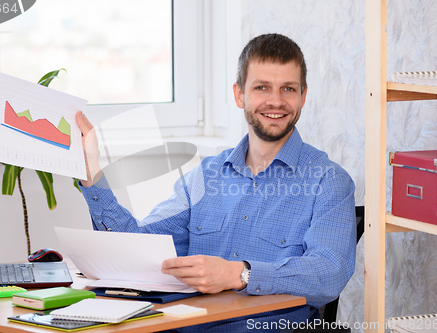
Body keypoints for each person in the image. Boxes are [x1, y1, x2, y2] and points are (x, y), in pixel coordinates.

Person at [76, 33, 356, 332]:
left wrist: (240, 275)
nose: (276, 101)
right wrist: (92, 173)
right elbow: (136, 250)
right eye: (262, 87)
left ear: (303, 96)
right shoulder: (205, 176)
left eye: (288, 88)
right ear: (239, 95)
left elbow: (329, 274)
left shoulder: (329, 182)